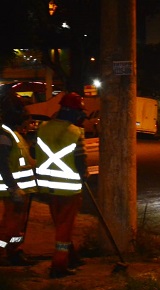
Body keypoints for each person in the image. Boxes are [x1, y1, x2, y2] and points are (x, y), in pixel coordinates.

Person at [35, 92, 89, 278]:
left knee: (60, 224)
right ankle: (59, 265)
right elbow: (81, 160)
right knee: (64, 228)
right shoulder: (75, 132)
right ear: (75, 112)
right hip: (68, 187)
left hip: (48, 186)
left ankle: (71, 256)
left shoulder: (43, 128)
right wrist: (84, 176)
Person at [0, 85, 38, 266]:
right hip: (12, 191)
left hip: (19, 190)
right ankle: (3, 250)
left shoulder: (12, 134)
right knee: (10, 225)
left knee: (17, 226)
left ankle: (14, 250)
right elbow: (2, 163)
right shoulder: (4, 134)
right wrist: (14, 188)